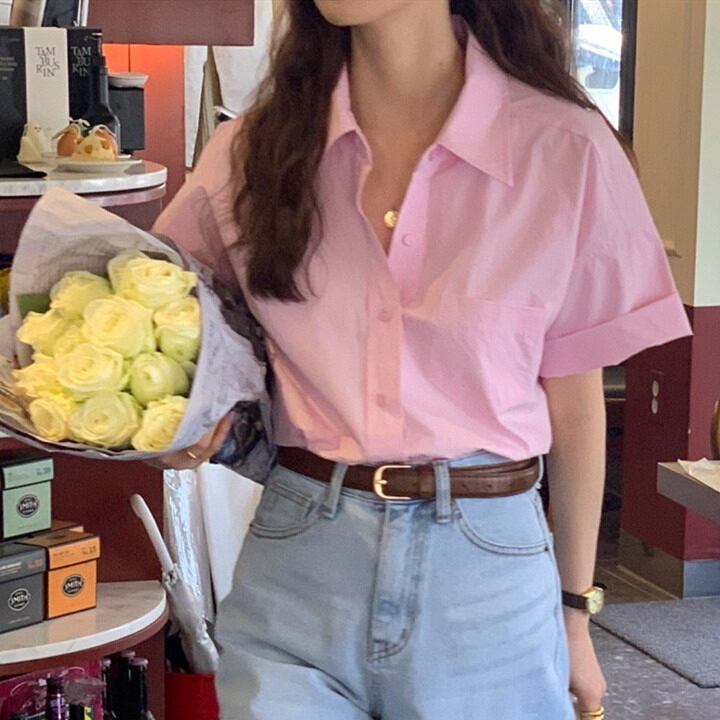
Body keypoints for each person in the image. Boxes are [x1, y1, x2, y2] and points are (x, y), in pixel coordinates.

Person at [153, 1, 693, 718]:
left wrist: (573, 612)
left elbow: (575, 405)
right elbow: (162, 319)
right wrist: (175, 425)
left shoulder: (565, 149)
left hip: (485, 574)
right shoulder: (251, 153)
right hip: (299, 562)